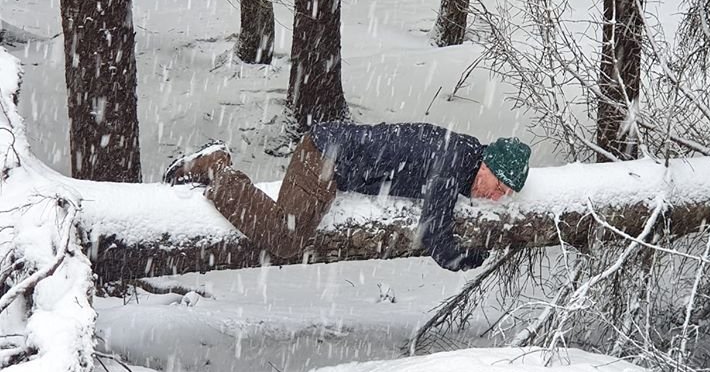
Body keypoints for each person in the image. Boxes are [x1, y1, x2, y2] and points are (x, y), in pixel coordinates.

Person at [164, 122, 531, 271]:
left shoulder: (464, 157)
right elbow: (434, 237)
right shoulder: (452, 162)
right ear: (486, 162)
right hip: (324, 155)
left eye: (505, 193)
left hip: (337, 154)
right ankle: (217, 168)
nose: (496, 196)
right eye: (497, 184)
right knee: (287, 238)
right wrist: (473, 259)